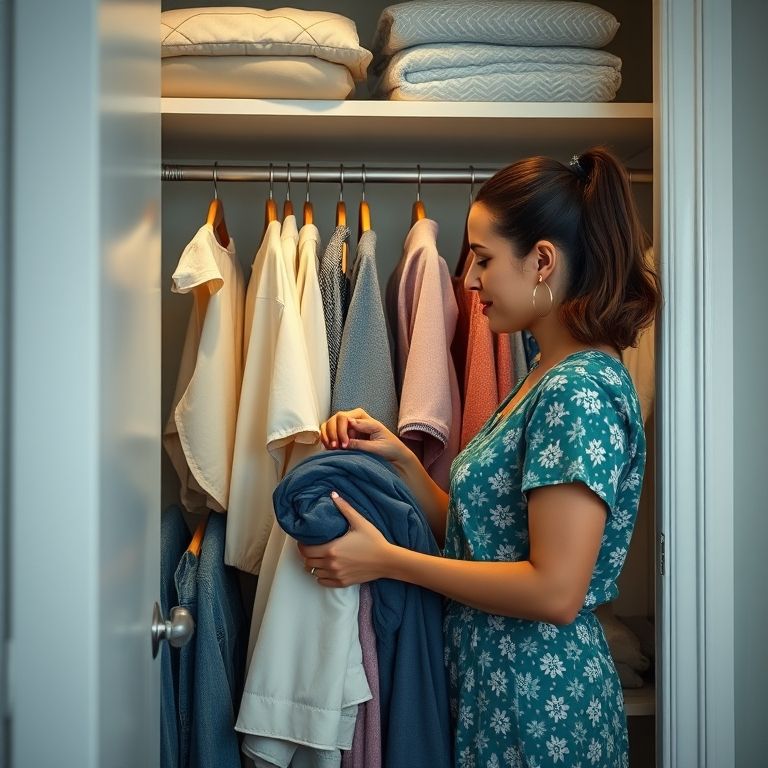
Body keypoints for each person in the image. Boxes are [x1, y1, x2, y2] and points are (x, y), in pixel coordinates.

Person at [298, 146, 661, 768]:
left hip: (538, 706)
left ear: (542, 261)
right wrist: (402, 463)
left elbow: (554, 590)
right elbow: (486, 540)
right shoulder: (543, 377)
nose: (468, 281)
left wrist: (391, 562)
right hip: (497, 692)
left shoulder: (577, 390)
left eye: (483, 261)